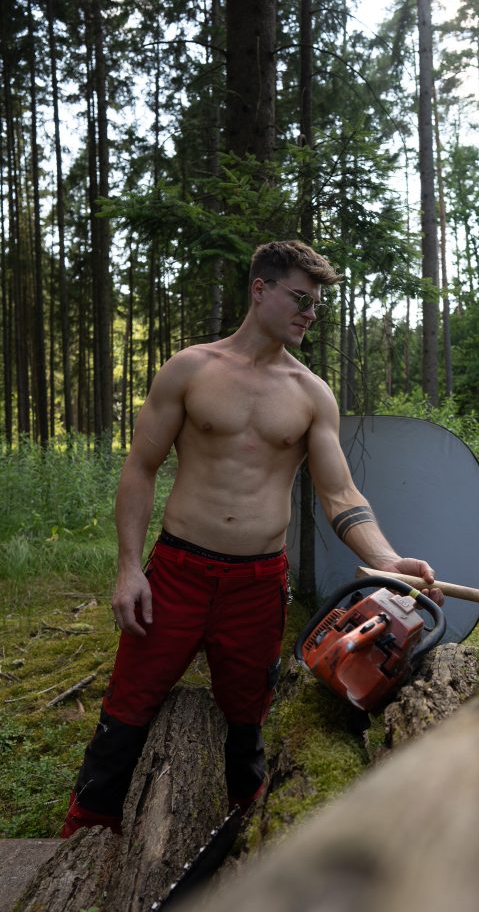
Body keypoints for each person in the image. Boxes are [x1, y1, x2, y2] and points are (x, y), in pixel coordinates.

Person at [60, 240, 443, 837]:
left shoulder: (310, 393)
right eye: (300, 298)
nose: (311, 313)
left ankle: (243, 843)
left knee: (247, 723)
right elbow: (140, 467)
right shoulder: (191, 369)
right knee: (126, 709)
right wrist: (129, 567)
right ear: (259, 289)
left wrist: (388, 560)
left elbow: (340, 494)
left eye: (316, 305)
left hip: (257, 585)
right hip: (178, 572)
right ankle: (83, 839)